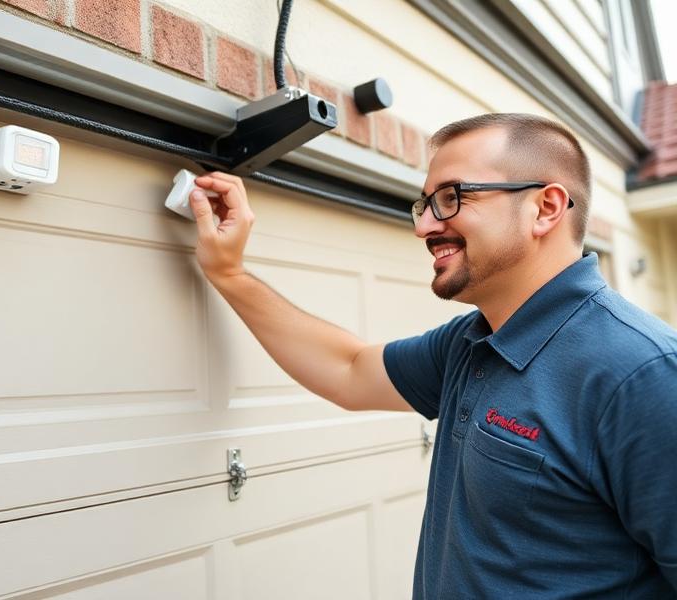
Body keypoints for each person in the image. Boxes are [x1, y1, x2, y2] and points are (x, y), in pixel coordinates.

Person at [188, 113, 677, 598]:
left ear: (546, 208)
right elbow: (349, 371)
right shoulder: (471, 342)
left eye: (450, 198)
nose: (424, 227)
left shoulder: (642, 374)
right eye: (424, 204)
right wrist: (229, 274)